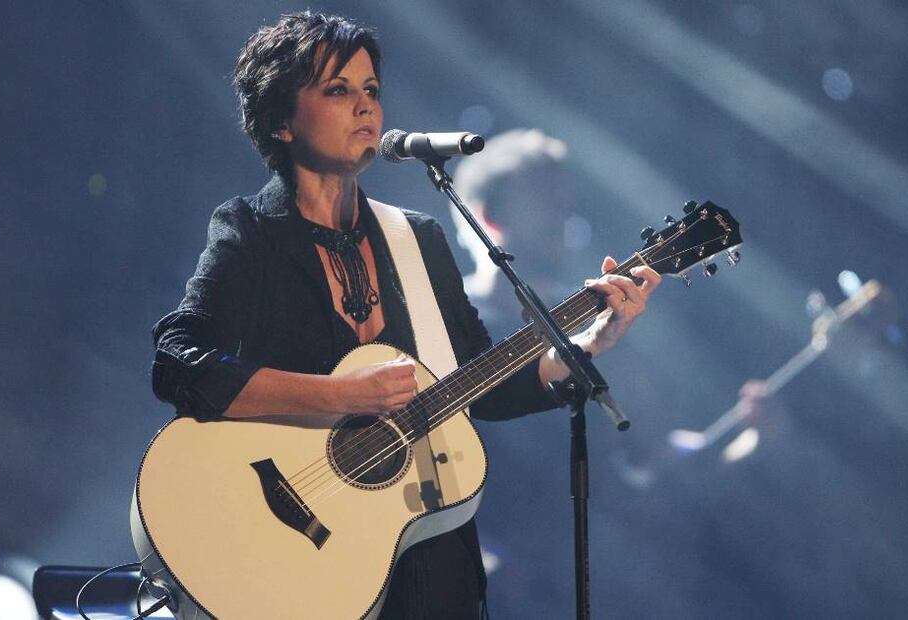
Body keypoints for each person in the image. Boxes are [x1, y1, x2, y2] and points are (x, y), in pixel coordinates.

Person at [150, 11, 661, 619]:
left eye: (371, 89)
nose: (365, 106)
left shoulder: (416, 238)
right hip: (305, 556)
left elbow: (482, 384)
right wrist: (339, 396)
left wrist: (593, 339)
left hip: (429, 556)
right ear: (282, 120)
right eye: (337, 89)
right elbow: (180, 364)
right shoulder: (250, 233)